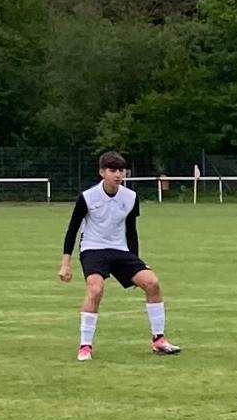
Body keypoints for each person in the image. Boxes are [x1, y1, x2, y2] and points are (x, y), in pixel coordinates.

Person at [57, 151, 182, 361]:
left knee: (152, 283)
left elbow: (131, 231)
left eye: (121, 170)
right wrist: (65, 264)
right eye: (112, 170)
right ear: (102, 172)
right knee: (95, 290)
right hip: (93, 249)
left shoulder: (130, 197)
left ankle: (159, 340)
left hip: (120, 250)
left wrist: (136, 263)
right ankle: (85, 346)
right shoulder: (87, 197)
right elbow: (72, 230)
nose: (118, 175)